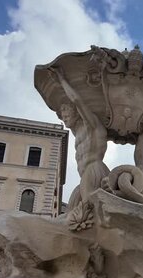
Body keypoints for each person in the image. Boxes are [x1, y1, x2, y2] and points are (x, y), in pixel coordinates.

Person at [50, 66, 109, 207]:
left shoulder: (92, 125)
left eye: (67, 115)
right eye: (63, 118)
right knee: (72, 210)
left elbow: (77, 100)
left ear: (76, 112)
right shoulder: (78, 131)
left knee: (89, 210)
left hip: (94, 170)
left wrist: (62, 80)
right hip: (85, 176)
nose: (64, 120)